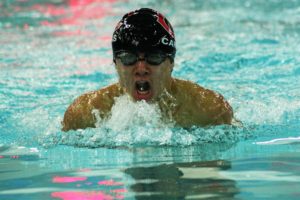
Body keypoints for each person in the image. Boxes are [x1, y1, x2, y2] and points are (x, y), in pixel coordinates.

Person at [62, 8, 234, 131]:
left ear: (171, 63)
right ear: (115, 63)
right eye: (129, 58)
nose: (141, 68)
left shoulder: (208, 109)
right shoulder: (84, 114)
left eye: (154, 57)